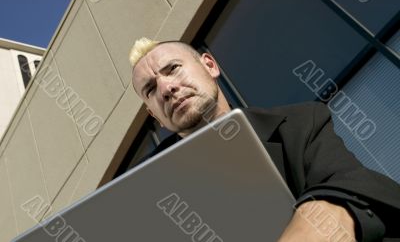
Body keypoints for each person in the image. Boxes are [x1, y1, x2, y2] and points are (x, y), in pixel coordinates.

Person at [129, 37, 400, 241]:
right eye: (150, 89)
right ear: (153, 113)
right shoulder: (145, 192)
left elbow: (345, 189)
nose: (166, 88)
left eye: (173, 68)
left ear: (209, 65)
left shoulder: (299, 123)